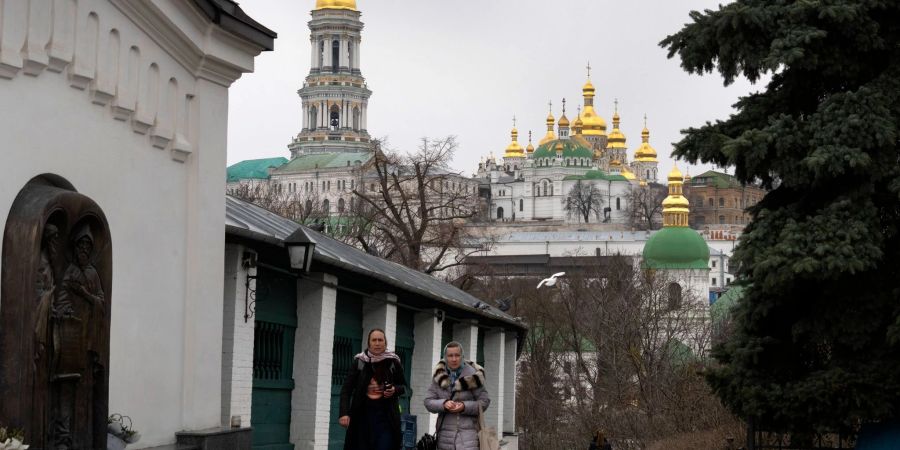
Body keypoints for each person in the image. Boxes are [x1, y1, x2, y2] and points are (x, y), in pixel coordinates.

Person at [339, 328, 407, 450]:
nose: (377, 343)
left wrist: (394, 390)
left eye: (380, 340)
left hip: (386, 418)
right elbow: (346, 389)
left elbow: (403, 386)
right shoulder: (360, 362)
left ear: (385, 343)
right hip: (362, 417)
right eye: (374, 340)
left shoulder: (393, 362)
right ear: (369, 343)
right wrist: (344, 413)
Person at [424, 341, 490, 450]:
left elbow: (485, 401)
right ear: (445, 357)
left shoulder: (473, 376)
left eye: (457, 355)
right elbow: (428, 401)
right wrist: (444, 404)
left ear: (462, 357)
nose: (454, 359)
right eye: (450, 356)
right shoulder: (439, 377)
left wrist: (464, 406)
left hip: (469, 438)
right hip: (444, 438)